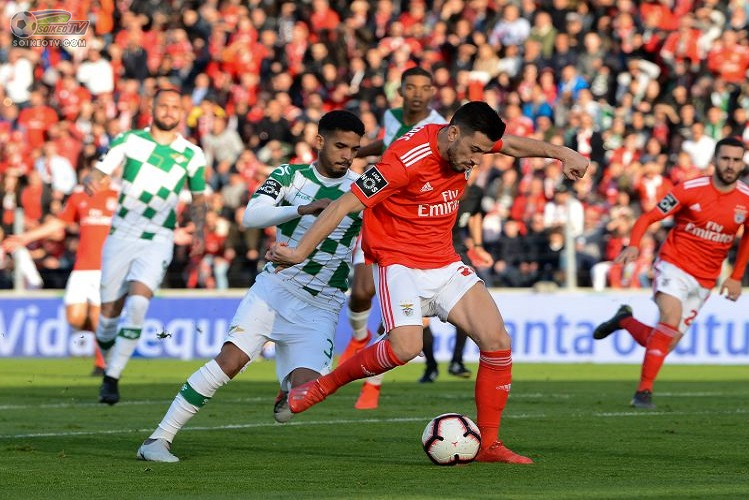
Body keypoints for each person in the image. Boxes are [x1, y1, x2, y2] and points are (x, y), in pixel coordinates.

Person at [268, 101, 588, 464]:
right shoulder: (404, 160)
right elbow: (344, 205)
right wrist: (299, 253)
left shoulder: (466, 139)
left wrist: (562, 153)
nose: (477, 160)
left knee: (498, 341)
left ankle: (489, 446)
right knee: (406, 347)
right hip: (398, 262)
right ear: (453, 134)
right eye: (474, 151)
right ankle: (320, 387)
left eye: (483, 152)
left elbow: (511, 145)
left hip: (443, 261)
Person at [137, 110, 366, 462]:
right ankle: (158, 440)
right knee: (230, 361)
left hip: (322, 304)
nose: (347, 156)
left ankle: (287, 386)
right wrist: (303, 208)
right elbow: (251, 215)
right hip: (275, 289)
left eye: (353, 149)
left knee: (305, 395)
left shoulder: (361, 191)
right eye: (340, 146)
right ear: (319, 141)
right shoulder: (290, 176)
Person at [343, 66, 485, 411]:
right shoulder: (392, 117)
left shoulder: (438, 126)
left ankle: (372, 386)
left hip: (410, 226)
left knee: (398, 318)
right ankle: (359, 338)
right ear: (401, 91)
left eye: (425, 87)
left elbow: (458, 168)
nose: (418, 94)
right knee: (361, 290)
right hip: (380, 210)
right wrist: (359, 152)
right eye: (411, 87)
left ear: (432, 92)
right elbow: (390, 144)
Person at [593, 137, 749, 409]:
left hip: (706, 278)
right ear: (715, 161)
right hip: (675, 264)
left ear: (743, 163)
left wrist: (737, 275)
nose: (730, 165)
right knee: (669, 319)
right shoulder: (690, 189)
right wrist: (634, 245)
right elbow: (648, 218)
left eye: (736, 160)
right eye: (726, 158)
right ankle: (643, 393)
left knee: (664, 343)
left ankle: (624, 320)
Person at [84, 87, 208, 405]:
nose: (169, 111)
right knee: (109, 314)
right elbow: (101, 168)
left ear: (183, 112)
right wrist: (92, 179)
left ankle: (111, 379)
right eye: (163, 105)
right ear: (151, 108)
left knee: (138, 305)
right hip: (121, 234)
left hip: (158, 238)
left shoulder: (192, 153)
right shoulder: (129, 140)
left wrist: (200, 231)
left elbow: (197, 198)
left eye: (175, 106)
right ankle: (108, 351)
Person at [2, 177, 118, 375]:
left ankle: (102, 365)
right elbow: (59, 224)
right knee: (74, 318)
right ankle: (109, 336)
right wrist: (27, 237)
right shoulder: (79, 197)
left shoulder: (119, 197)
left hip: (106, 268)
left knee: (97, 317)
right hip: (81, 268)